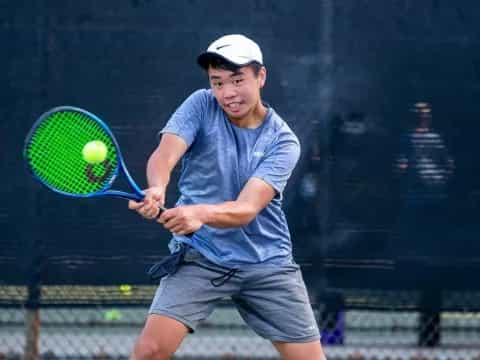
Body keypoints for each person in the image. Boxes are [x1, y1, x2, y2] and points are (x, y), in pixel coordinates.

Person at [128, 34, 326, 360]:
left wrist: (198, 214)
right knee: (149, 351)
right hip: (200, 256)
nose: (227, 93)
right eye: (217, 82)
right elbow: (163, 156)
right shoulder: (201, 104)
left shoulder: (283, 141)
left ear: (261, 76)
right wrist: (157, 188)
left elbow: (247, 208)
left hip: (267, 263)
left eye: (237, 80)